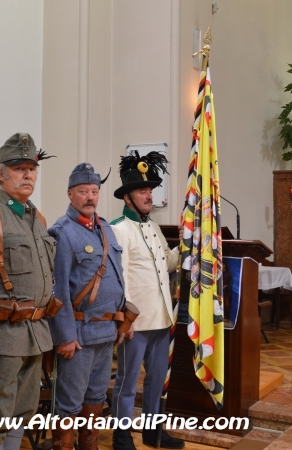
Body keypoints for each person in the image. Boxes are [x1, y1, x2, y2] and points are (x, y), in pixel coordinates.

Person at [0, 132, 58, 450]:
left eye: (32, 168)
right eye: (18, 168)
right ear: (0, 174)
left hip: (35, 335)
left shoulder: (38, 219)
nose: (28, 174)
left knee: (21, 414)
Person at [48, 163, 127, 450]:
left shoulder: (105, 229)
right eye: (83, 191)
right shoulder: (62, 232)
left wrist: (121, 320)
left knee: (95, 398)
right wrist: (65, 335)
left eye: (94, 191)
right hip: (78, 335)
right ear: (70, 194)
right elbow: (58, 292)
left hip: (106, 332)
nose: (90, 197)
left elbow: (117, 277)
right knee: (69, 403)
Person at [110, 151, 185, 450]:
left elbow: (167, 264)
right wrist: (124, 319)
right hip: (136, 322)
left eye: (150, 190)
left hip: (162, 317)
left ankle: (154, 432)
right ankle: (121, 435)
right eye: (142, 191)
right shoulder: (119, 228)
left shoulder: (153, 227)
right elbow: (120, 278)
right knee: (127, 384)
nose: (148, 195)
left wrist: (186, 244)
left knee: (156, 381)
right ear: (127, 197)